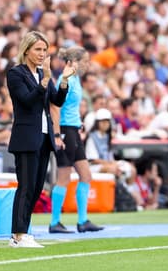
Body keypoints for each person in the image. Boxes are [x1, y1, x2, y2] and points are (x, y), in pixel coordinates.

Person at [6, 31, 74, 248]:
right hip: (26, 138)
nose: (42, 54)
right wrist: (44, 80)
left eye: (44, 50)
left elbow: (56, 101)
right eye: (38, 49)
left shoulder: (43, 75)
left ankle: (24, 231)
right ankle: (17, 235)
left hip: (44, 138)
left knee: (36, 188)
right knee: (25, 186)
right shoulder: (16, 74)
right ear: (26, 50)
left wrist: (63, 81)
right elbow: (27, 101)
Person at [49, 45, 104, 234]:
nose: (88, 64)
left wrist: (78, 124)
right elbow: (55, 108)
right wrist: (57, 134)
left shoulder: (76, 79)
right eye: (85, 61)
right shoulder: (66, 81)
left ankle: (83, 221)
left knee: (86, 175)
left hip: (73, 129)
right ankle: (54, 222)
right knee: (63, 177)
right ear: (73, 62)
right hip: (65, 130)